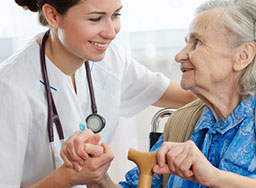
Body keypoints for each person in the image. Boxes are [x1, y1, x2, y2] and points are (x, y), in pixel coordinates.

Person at [61, 0, 256, 187]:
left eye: (196, 43)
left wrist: (215, 177)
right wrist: (98, 177)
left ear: (243, 56)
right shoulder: (181, 123)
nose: (179, 55)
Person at [0, 0, 196, 187]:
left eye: (116, 15)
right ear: (53, 16)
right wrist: (67, 177)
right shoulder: (10, 86)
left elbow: (190, 96)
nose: (111, 33)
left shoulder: (111, 61)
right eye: (95, 19)